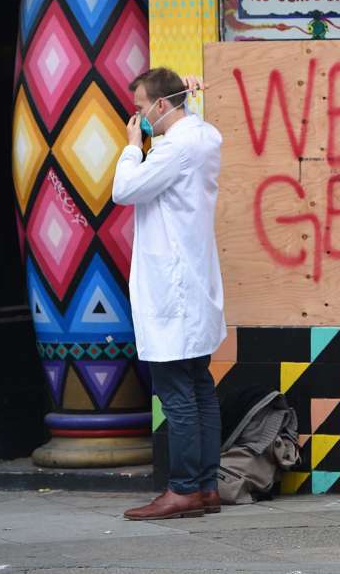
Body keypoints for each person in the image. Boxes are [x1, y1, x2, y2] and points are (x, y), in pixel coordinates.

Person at [113, 68, 227, 521]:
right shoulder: (203, 137)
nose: (138, 116)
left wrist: (130, 147)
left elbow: (124, 190)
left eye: (140, 108)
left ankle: (182, 490)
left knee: (177, 390)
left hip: (173, 288)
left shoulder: (174, 149)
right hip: (193, 283)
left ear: (161, 106)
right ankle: (206, 487)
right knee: (199, 387)